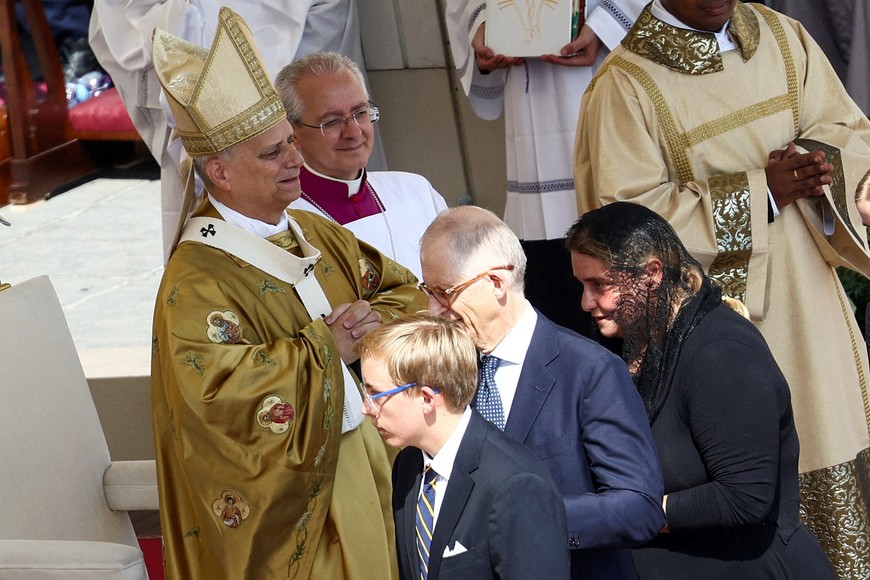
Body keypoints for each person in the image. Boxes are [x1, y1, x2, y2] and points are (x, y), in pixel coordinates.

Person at [574, 1, 870, 574]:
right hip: (727, 333)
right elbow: (625, 225)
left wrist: (818, 165)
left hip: (813, 300)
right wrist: (760, 193)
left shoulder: (784, 37)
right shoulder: (624, 87)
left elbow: (847, 130)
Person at [149, 8, 425, 578]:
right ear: (220, 174)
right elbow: (216, 397)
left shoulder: (311, 229)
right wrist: (327, 349)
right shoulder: (197, 278)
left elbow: (406, 292)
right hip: (301, 514)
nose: (296, 159)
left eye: (289, 144)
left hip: (373, 470)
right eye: (274, 152)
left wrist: (366, 329)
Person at [567, 202, 836, 579]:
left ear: (652, 274)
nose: (586, 302)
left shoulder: (721, 354)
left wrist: (628, 513)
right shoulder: (622, 343)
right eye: (582, 284)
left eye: (601, 285)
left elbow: (743, 498)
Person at [418, 205, 664, 578]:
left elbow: (638, 506)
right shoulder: (445, 373)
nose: (433, 309)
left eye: (444, 292)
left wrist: (525, 521)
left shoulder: (587, 370)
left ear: (497, 283)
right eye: (428, 291)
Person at [89, 0, 379, 262]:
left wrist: (302, 115)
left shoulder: (411, 191)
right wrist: (181, 18)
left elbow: (328, 62)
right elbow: (120, 23)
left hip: (298, 103)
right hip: (205, 122)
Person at [444, 0, 646, 334]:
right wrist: (485, 24)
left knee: (617, 249)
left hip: (600, 66)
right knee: (550, 289)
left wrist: (604, 24)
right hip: (527, 94)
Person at [356, 313, 570, 580]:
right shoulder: (408, 466)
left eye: (376, 395)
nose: (366, 409)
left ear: (426, 398)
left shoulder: (515, 485)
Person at [275, 52, 447, 278]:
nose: (354, 132)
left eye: (360, 113)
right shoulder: (283, 222)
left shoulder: (416, 192)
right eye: (332, 121)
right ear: (293, 133)